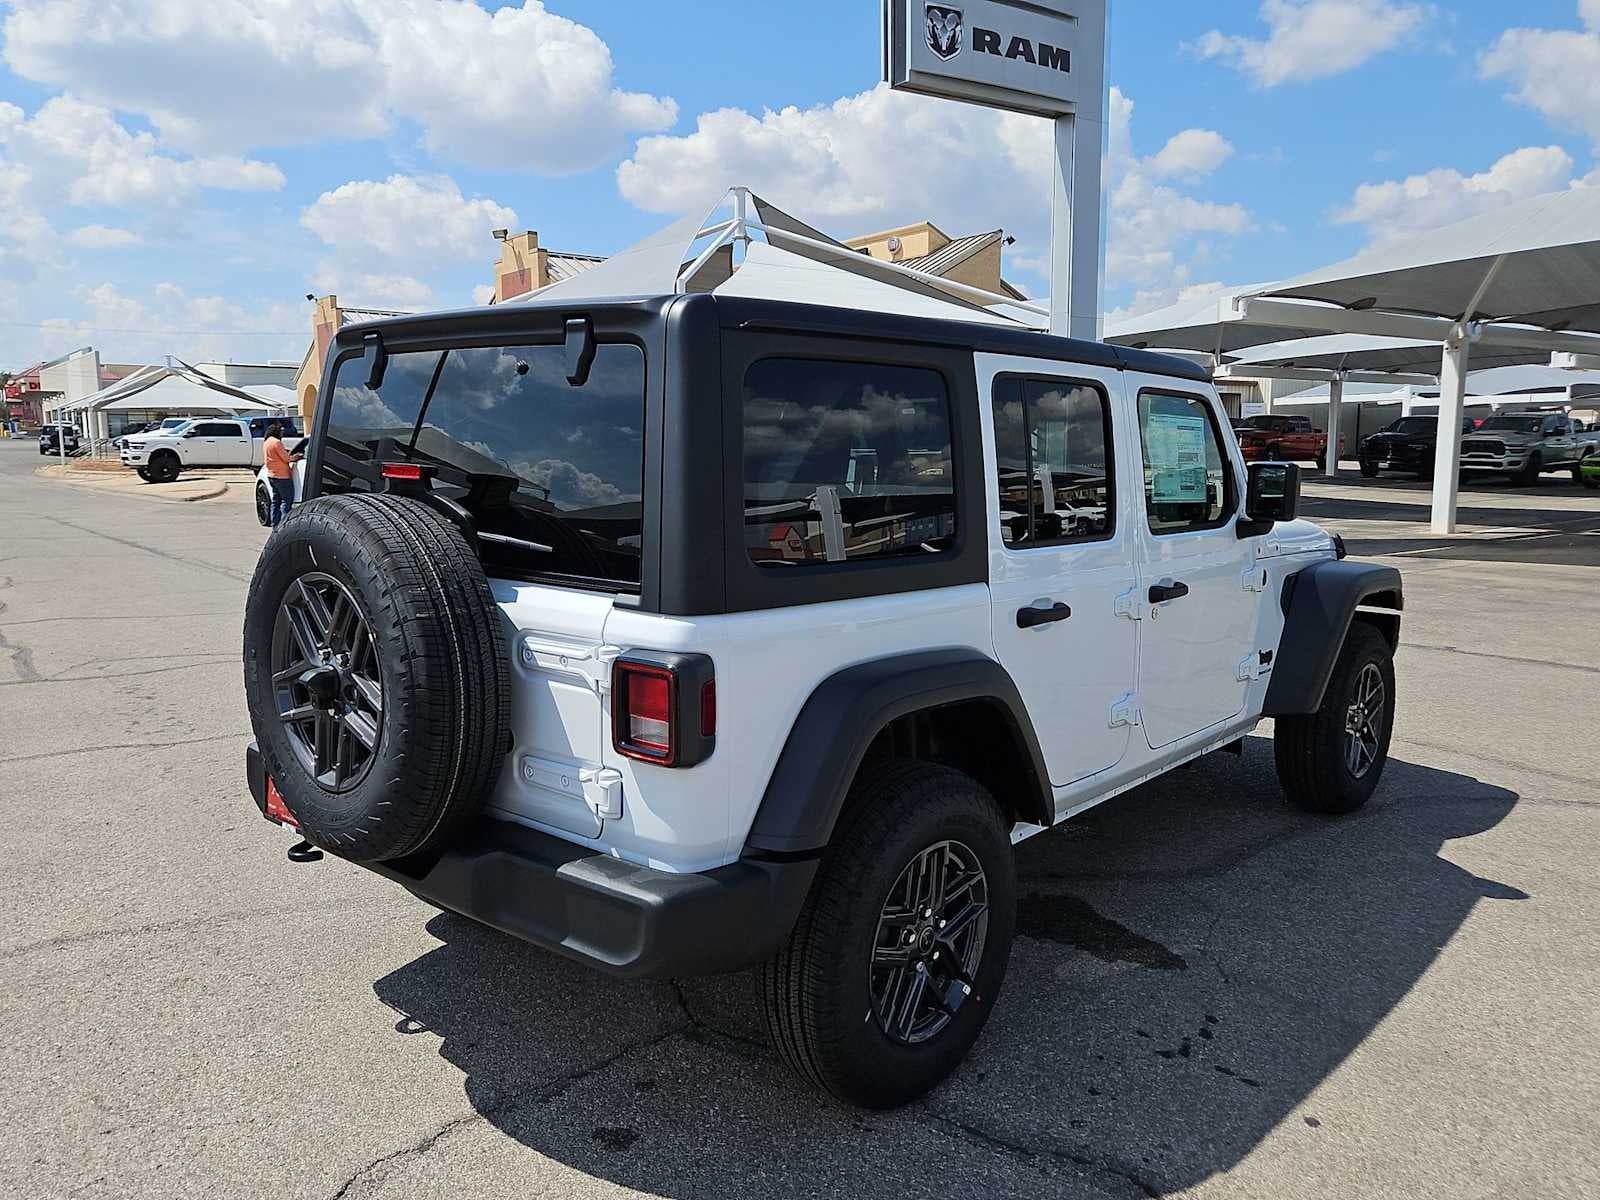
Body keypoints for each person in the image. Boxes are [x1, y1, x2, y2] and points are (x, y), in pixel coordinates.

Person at [262, 422, 302, 528]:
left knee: (276, 502)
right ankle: (285, 526)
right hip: (282, 476)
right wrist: (296, 457)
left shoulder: (267, 442)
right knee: (286, 501)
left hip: (272, 475)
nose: (282, 434)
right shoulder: (277, 442)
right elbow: (286, 458)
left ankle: (275, 526)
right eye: (281, 431)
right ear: (277, 432)